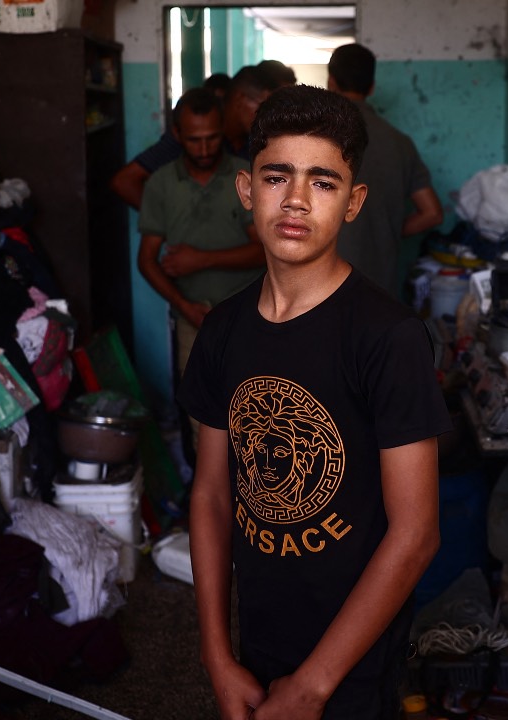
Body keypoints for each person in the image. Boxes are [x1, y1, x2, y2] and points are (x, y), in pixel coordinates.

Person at [180, 85, 452, 720]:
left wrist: (312, 687)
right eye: (278, 177)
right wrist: (217, 658)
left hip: (354, 662)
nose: (297, 200)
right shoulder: (222, 332)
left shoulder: (387, 337)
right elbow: (213, 497)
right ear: (247, 190)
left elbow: (415, 534)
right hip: (259, 643)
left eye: (323, 183)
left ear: (354, 202)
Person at [136, 87, 265, 449]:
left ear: (222, 131)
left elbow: (268, 251)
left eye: (212, 138)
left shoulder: (247, 177)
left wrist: (202, 258)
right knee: (202, 426)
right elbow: (146, 260)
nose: (205, 149)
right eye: (195, 140)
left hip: (250, 317)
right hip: (193, 321)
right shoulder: (161, 184)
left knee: (255, 421)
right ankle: (211, 501)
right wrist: (184, 306)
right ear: (177, 135)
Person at [327, 43, 443, 298]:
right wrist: (384, 227)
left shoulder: (317, 137)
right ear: (371, 87)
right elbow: (432, 213)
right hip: (380, 290)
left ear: (330, 81)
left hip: (322, 287)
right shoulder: (399, 142)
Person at [111, 66, 277, 209]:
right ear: (240, 99)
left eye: (213, 138)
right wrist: (166, 223)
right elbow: (124, 181)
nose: (270, 116)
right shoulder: (189, 133)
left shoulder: (257, 140)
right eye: (264, 106)